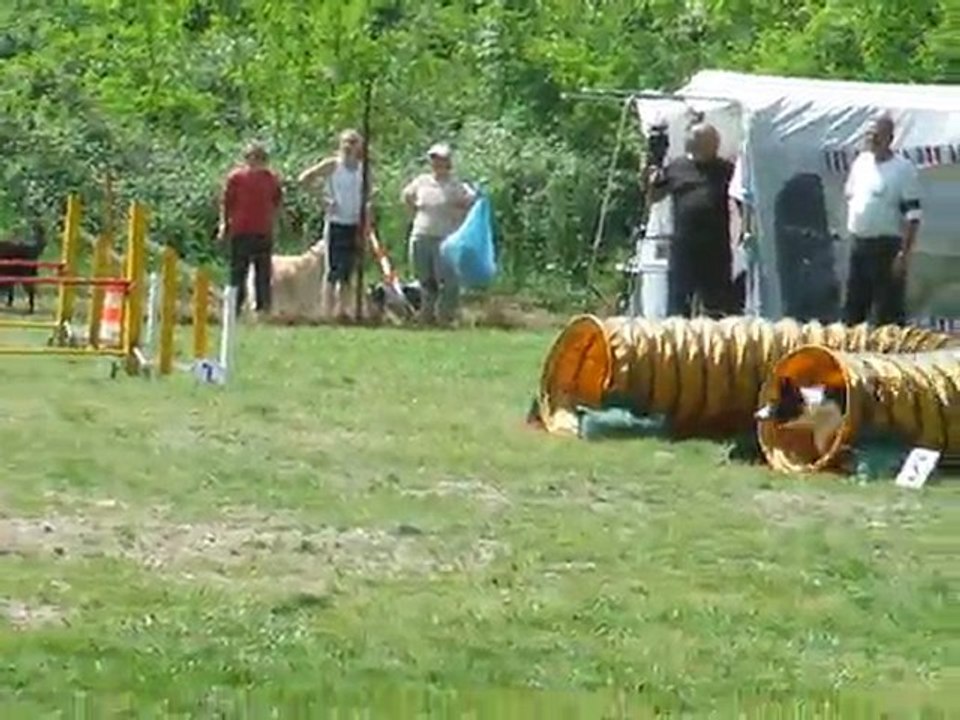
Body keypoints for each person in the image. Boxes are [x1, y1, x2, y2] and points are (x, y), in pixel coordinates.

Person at [644, 122, 736, 318]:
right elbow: (654, 197)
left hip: (715, 246)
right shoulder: (677, 167)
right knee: (679, 303)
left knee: (717, 305)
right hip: (685, 245)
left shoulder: (725, 169)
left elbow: (742, 198)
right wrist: (651, 174)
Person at [842, 113, 922, 326]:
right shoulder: (861, 162)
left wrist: (903, 255)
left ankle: (889, 357)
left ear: (890, 138)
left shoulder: (903, 169)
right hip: (860, 244)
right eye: (869, 135)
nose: (872, 139)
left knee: (887, 312)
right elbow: (850, 194)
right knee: (854, 307)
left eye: (878, 135)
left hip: (886, 248)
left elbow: (913, 216)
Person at [298, 129, 373, 321]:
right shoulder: (333, 165)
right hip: (336, 222)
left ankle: (343, 310)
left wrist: (367, 223)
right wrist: (323, 199)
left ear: (360, 146)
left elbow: (368, 197)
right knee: (333, 269)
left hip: (355, 223)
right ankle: (327, 311)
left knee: (348, 270)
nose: (349, 146)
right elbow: (304, 179)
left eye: (354, 142)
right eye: (346, 142)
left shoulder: (363, 169)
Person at [402, 142, 475, 326]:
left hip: (445, 239)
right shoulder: (422, 181)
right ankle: (426, 316)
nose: (438, 164)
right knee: (424, 280)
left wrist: (458, 216)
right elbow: (407, 197)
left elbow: (471, 203)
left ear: (448, 163)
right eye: (434, 159)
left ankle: (445, 316)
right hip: (421, 236)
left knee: (448, 281)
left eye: (442, 160)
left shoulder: (456, 185)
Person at [218, 141, 284, 317]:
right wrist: (223, 224)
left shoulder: (271, 179)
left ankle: (263, 309)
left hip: (263, 230)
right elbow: (226, 202)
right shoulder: (236, 178)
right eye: (251, 157)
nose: (255, 161)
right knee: (238, 271)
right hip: (241, 229)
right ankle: (234, 307)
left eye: (259, 157)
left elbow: (277, 203)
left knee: (263, 272)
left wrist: (275, 224)